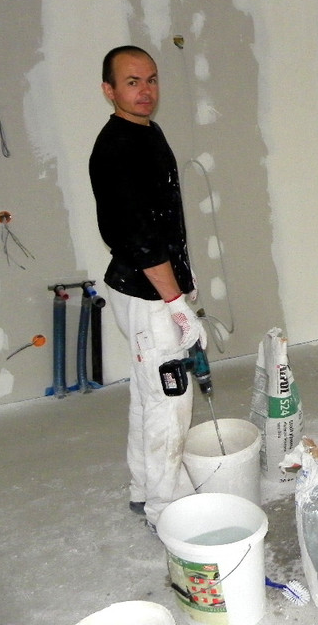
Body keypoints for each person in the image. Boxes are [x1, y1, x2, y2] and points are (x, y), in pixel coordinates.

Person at [89, 45, 207, 528]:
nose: (145, 91)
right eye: (133, 82)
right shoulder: (117, 148)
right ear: (109, 90)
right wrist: (175, 301)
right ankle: (166, 508)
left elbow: (162, 222)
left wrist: (183, 280)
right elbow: (138, 236)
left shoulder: (147, 132)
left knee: (148, 395)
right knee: (169, 401)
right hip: (147, 293)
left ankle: (145, 489)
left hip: (143, 287)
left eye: (152, 79)